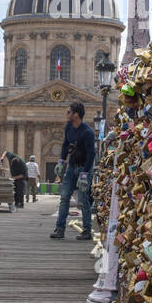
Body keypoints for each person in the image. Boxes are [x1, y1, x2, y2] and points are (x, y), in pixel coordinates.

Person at [51, 101, 95, 241]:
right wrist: (61, 161)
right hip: (71, 166)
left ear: (76, 115)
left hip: (83, 168)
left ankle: (87, 230)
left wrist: (85, 174)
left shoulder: (87, 132)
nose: (66, 114)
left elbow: (91, 154)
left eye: (69, 112)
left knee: (83, 201)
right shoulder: (69, 127)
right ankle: (60, 229)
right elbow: (65, 144)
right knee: (64, 198)